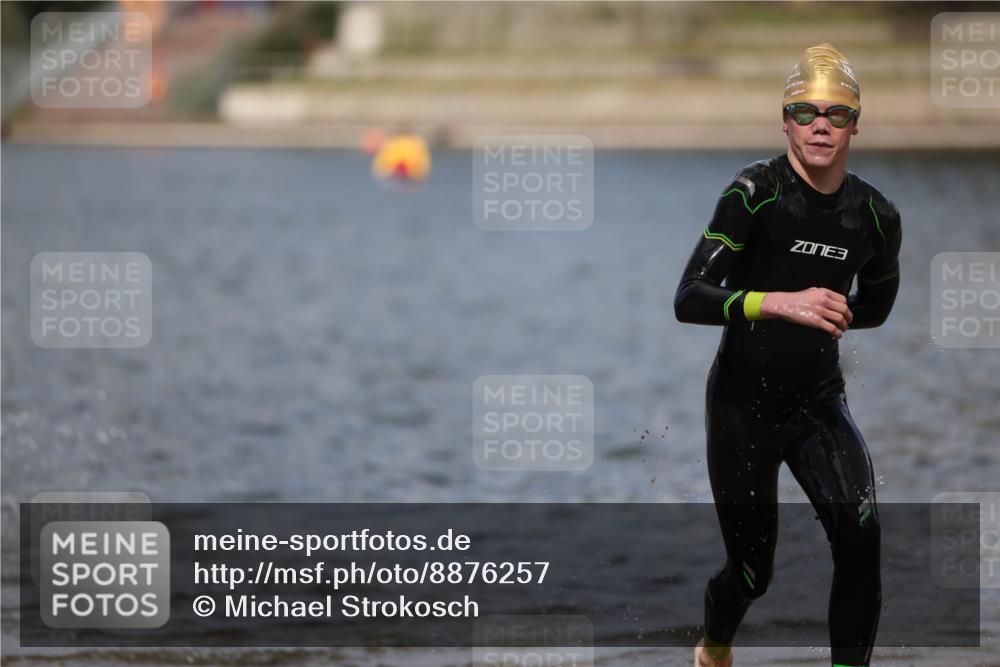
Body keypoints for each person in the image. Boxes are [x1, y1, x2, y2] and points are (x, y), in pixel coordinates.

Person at [674, 44, 902, 667]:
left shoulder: (877, 217)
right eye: (803, 111)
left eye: (836, 111)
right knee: (751, 574)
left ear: (857, 122)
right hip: (742, 405)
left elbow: (876, 307)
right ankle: (714, 646)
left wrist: (833, 312)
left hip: (817, 402)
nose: (819, 124)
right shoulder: (754, 193)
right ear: (784, 121)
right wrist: (780, 302)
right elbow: (689, 297)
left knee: (861, 538)